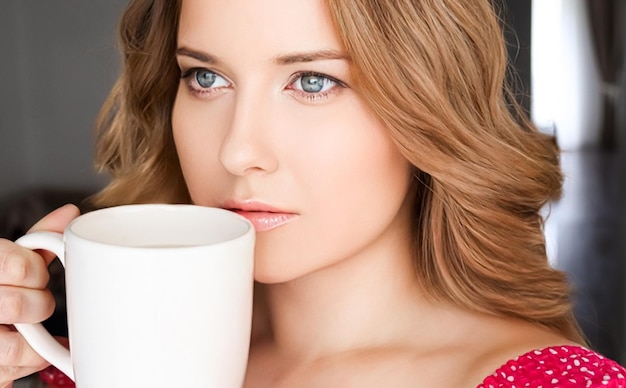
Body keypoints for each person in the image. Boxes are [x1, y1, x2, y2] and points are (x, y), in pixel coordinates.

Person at [1, 0, 625, 386]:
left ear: (427, 106)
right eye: (206, 77)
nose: (237, 150)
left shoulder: (549, 385)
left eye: (314, 82)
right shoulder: (99, 363)